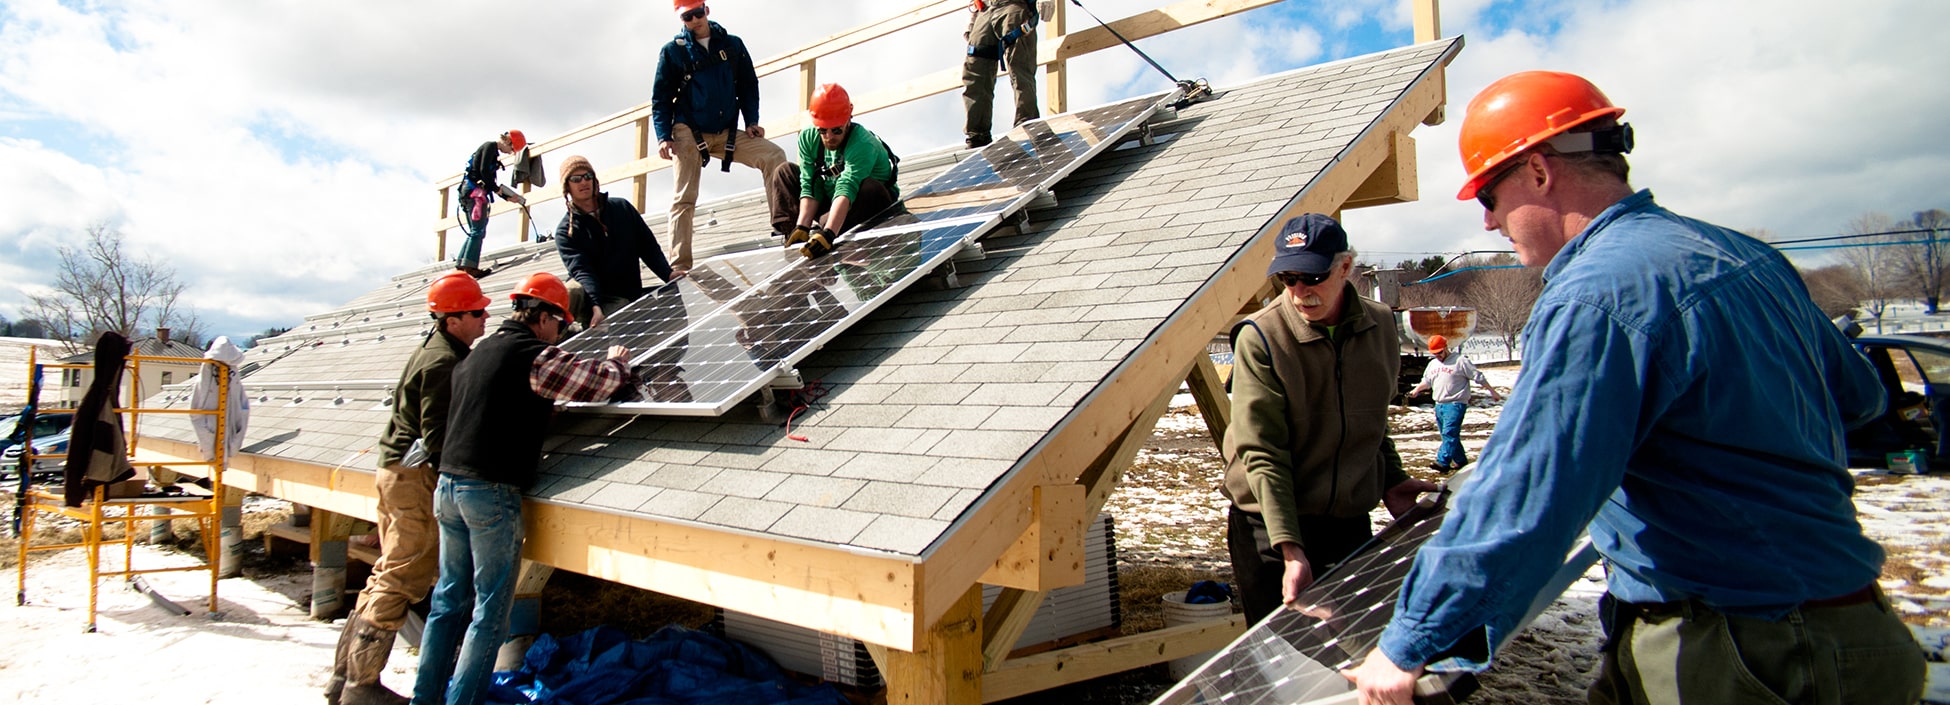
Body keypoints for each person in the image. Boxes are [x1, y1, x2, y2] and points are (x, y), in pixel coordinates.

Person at [1342, 71, 1925, 705]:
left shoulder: (1599, 293)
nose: (1489, 223)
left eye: (1488, 195)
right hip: (1846, 628)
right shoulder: (1744, 257)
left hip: (1746, 655)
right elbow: (1860, 399)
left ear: (1538, 171)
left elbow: (1528, 495)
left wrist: (1411, 641)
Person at [410, 273, 634, 705]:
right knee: (490, 614)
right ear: (545, 318)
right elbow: (599, 383)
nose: (562, 333)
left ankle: (425, 698)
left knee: (448, 603)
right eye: (561, 324)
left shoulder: (476, 356)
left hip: (448, 489)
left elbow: (494, 409)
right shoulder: (530, 356)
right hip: (489, 493)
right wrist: (617, 362)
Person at [1221, 212, 1439, 625]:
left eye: (1312, 277)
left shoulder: (1379, 327)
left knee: (1354, 641)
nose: (1300, 291)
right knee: (1286, 657)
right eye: (1287, 279)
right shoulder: (1262, 337)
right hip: (1268, 520)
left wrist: (1391, 479)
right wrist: (1290, 547)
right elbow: (1261, 450)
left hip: (1345, 519)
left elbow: (1371, 418)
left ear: (1344, 267)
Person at [326, 272, 491, 705]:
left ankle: (343, 678)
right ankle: (361, 686)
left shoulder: (436, 349)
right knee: (403, 576)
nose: (485, 315)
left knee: (385, 573)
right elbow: (439, 438)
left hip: (393, 470)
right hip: (412, 478)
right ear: (453, 319)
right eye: (477, 311)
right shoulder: (444, 363)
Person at [651, 0, 788, 275]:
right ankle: (679, 265)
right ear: (681, 20)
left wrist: (752, 121)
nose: (695, 20)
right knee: (684, 195)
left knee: (774, 156)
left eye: (698, 13)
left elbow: (749, 84)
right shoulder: (672, 53)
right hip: (688, 130)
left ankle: (784, 228)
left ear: (707, 10)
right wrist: (664, 136)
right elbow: (661, 98)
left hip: (725, 130)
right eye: (688, 17)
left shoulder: (733, 45)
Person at [766, 83, 899, 259]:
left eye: (836, 130)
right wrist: (802, 226)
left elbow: (847, 187)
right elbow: (810, 183)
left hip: (866, 204)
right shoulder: (809, 138)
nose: (829, 137)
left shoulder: (862, 143)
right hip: (832, 202)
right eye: (823, 130)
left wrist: (828, 233)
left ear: (848, 120)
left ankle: (827, 232)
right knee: (784, 172)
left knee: (868, 187)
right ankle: (794, 240)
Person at [552, 155, 677, 329]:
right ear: (567, 187)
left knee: (615, 315)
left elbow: (648, 246)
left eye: (588, 176)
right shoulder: (566, 231)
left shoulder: (622, 209)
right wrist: (595, 305)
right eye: (576, 179)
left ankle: (583, 329)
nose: (583, 182)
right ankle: (552, 338)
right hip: (590, 296)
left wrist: (668, 274)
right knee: (569, 290)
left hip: (621, 296)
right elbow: (582, 272)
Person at [1406, 334, 1500, 472]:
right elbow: (1427, 382)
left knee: (1449, 433)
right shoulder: (1433, 364)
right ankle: (1461, 462)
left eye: (1439, 352)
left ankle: (1443, 462)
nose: (1437, 356)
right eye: (1434, 353)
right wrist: (1416, 390)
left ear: (1445, 348)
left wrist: (1492, 391)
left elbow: (1478, 377)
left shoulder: (1460, 361)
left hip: (1456, 403)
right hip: (1439, 404)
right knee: (1448, 435)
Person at [961, 0, 1040, 148]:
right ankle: (977, 135)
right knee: (975, 68)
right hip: (985, 8)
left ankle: (1026, 124)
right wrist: (972, 16)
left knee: (1019, 67)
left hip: (1014, 5)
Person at [455, 130, 529, 279]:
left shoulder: (491, 152)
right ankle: (470, 267)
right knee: (478, 231)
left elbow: (488, 180)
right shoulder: (490, 147)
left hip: (469, 191)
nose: (510, 153)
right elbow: (485, 173)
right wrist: (498, 190)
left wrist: (505, 196)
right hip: (474, 193)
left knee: (475, 231)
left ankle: (462, 265)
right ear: (508, 142)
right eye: (512, 149)